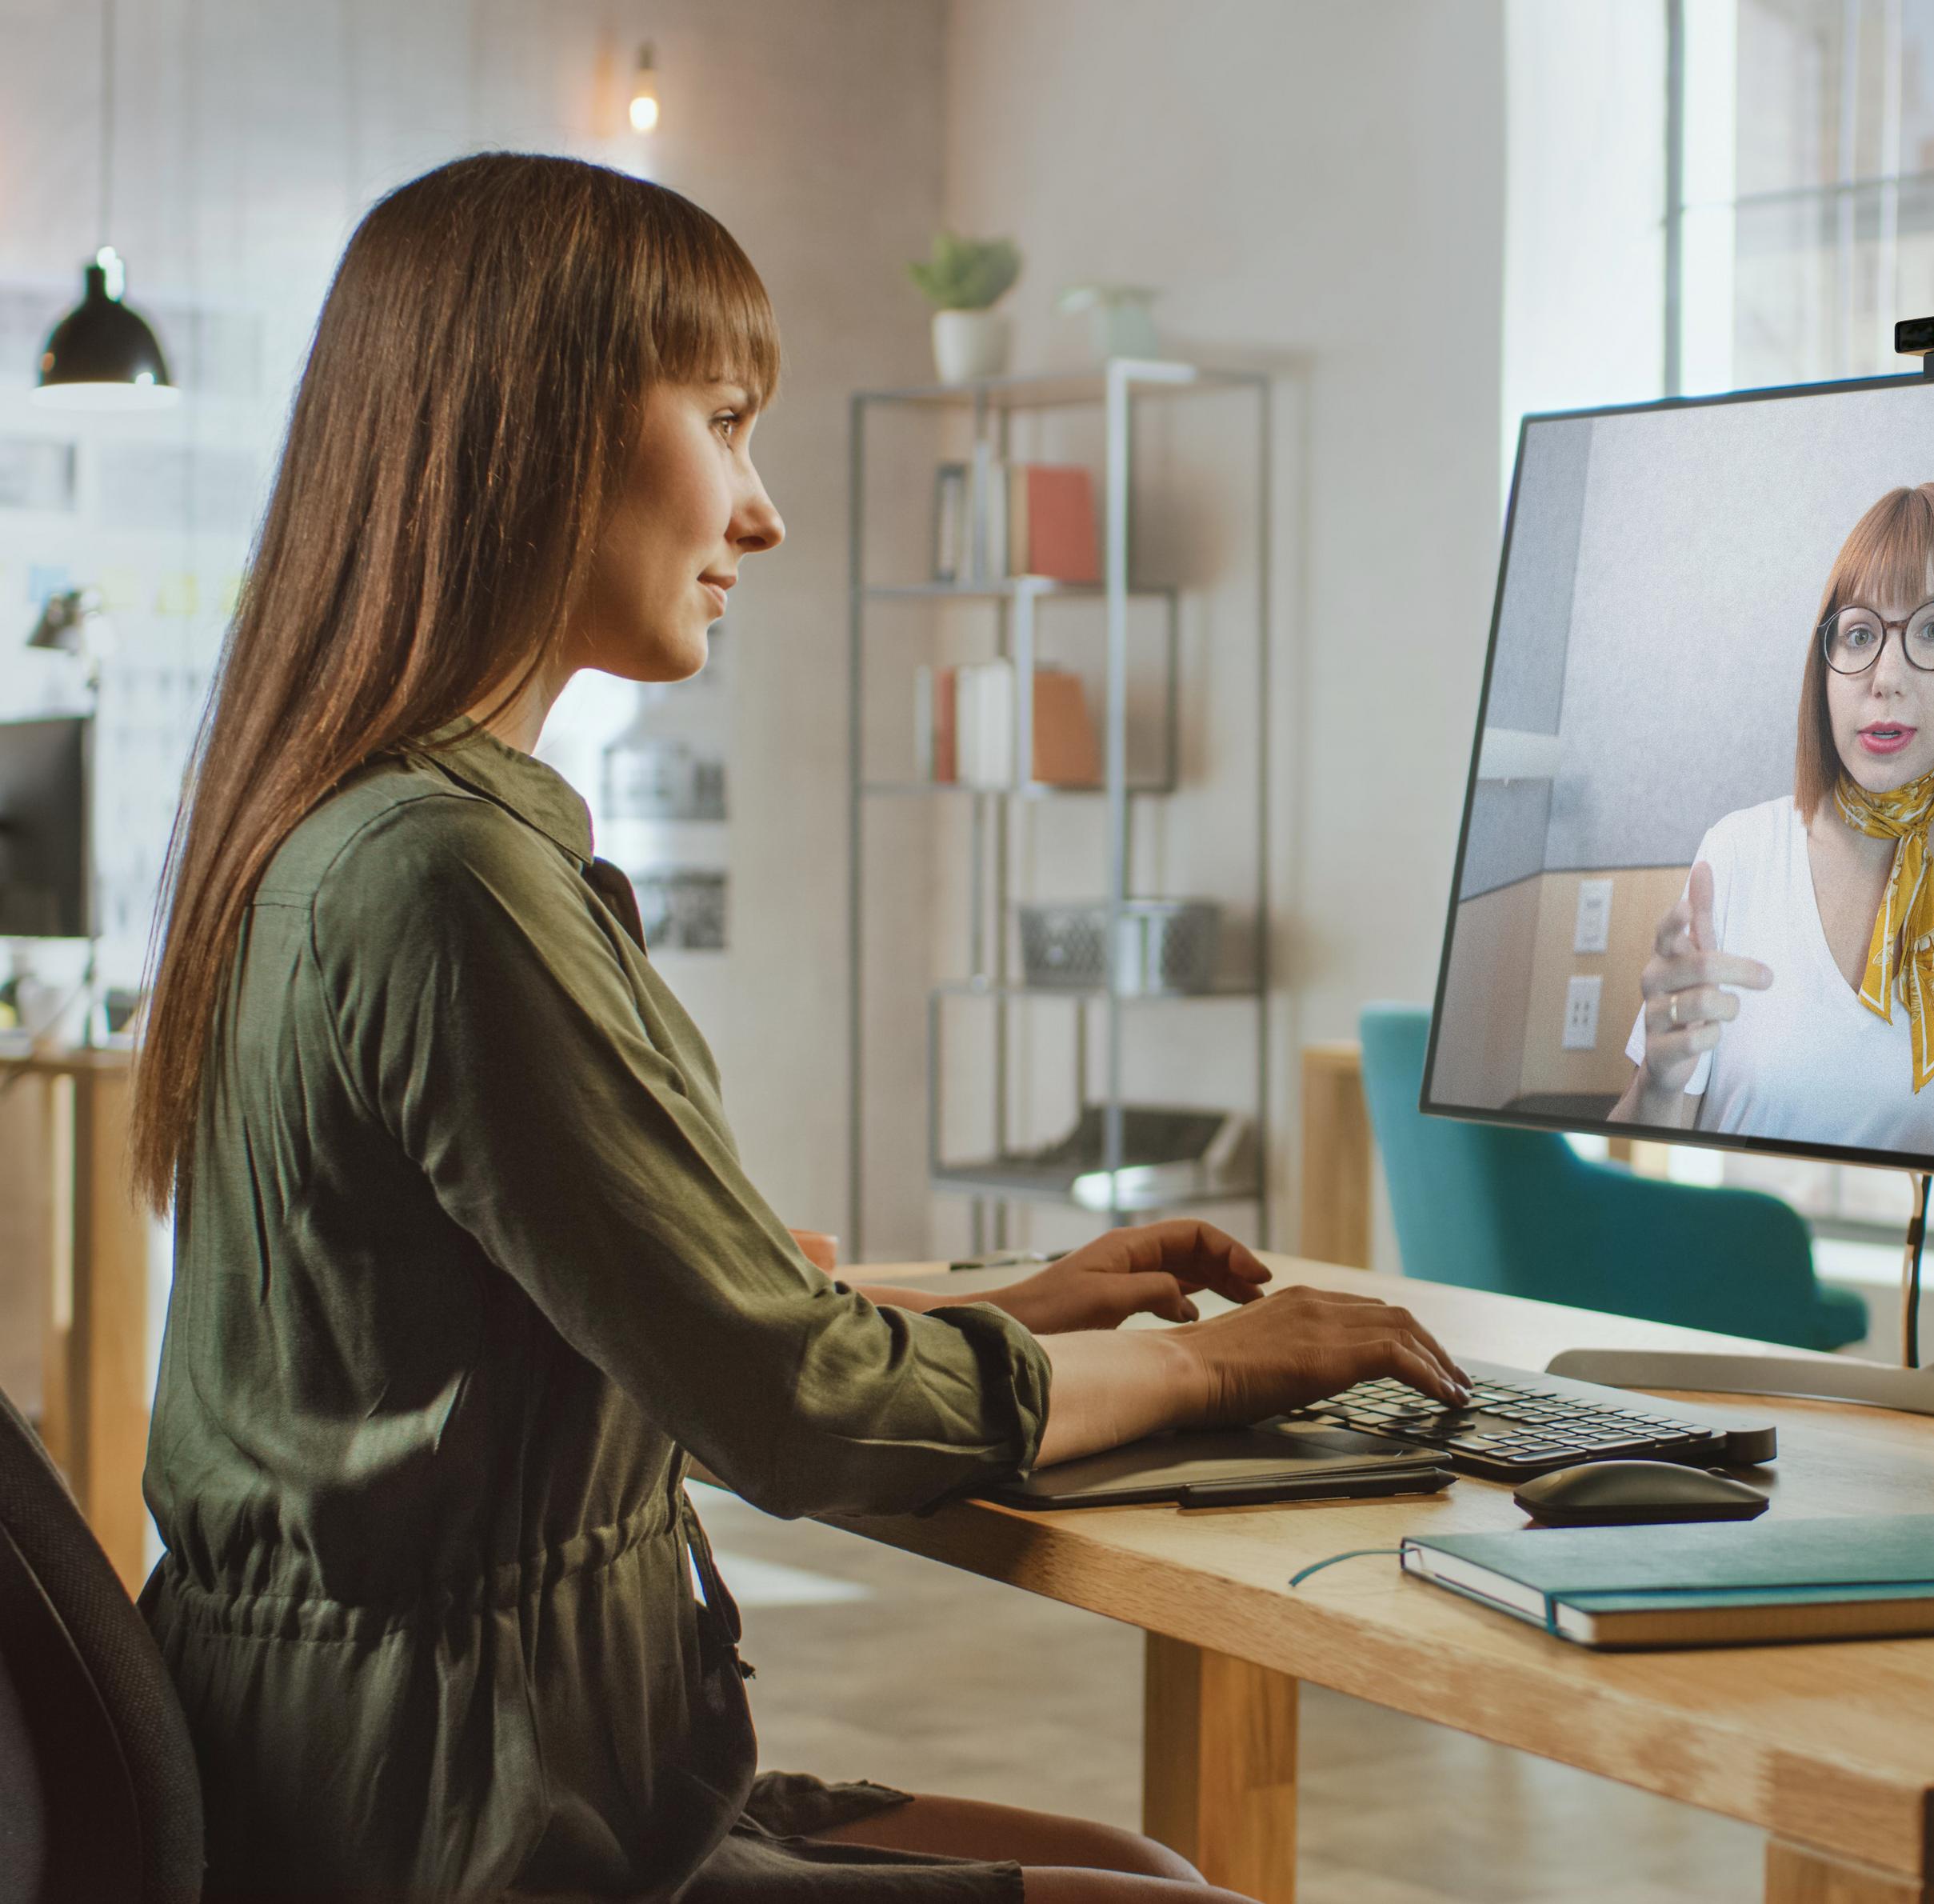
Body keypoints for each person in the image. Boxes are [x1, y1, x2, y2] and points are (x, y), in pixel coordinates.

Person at [130, 154, 1469, 1902]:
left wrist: (1018, 1303)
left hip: (431, 1761)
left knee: (1147, 1861)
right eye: (726, 423)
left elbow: (618, 1336)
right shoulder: (443, 874)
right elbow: (792, 1406)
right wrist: (1229, 1359)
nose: (760, 513)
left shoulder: (363, 831)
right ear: (541, 427)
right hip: (460, 1820)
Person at [1612, 482, 1934, 1162]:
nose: (1885, 678)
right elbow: (1638, 1158)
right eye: (1859, 634)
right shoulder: (1734, 855)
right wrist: (1660, 1079)